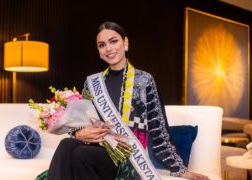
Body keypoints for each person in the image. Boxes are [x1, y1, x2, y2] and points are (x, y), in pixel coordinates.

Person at [46, 21, 209, 180]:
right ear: (98, 50)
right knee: (67, 144)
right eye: (102, 45)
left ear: (125, 42)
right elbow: (83, 120)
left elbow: (158, 129)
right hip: (98, 149)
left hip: (128, 156)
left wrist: (179, 169)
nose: (108, 48)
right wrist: (78, 132)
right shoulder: (91, 83)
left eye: (113, 41)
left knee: (81, 155)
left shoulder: (144, 81)